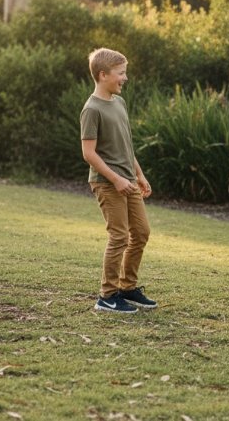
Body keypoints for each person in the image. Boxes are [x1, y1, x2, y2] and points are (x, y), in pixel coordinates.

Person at [80, 47, 157, 314]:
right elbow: (89, 153)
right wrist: (115, 179)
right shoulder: (91, 109)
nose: (125, 78)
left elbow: (126, 145)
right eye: (120, 73)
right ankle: (107, 296)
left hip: (128, 179)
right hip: (106, 182)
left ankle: (127, 287)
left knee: (141, 232)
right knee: (119, 236)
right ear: (103, 75)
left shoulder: (119, 103)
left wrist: (139, 174)